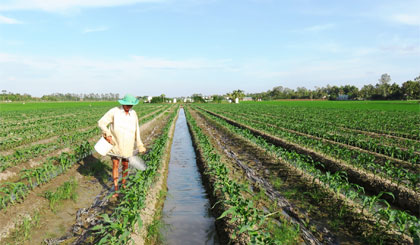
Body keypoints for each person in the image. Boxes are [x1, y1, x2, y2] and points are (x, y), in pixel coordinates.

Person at [98, 94, 146, 198]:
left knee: (125, 165)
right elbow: (101, 123)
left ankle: (123, 184)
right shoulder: (114, 111)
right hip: (116, 144)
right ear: (123, 103)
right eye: (127, 104)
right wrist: (107, 134)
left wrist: (140, 144)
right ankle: (116, 189)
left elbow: (137, 129)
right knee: (115, 164)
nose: (129, 106)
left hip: (128, 144)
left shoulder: (133, 114)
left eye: (131, 105)